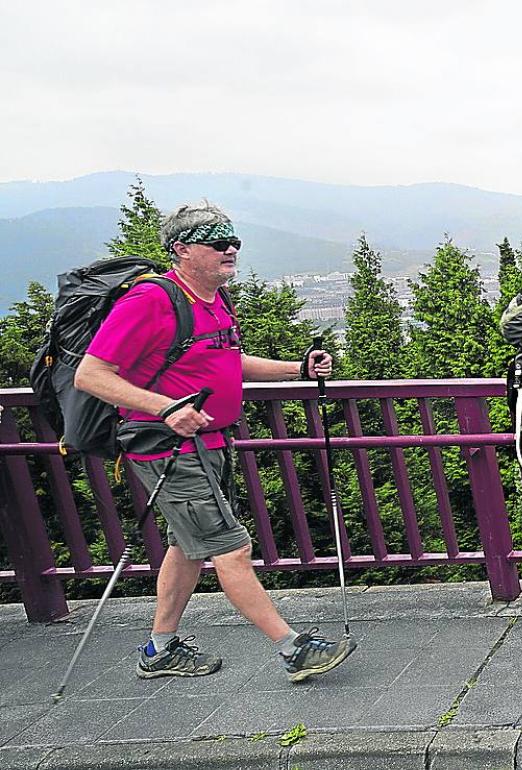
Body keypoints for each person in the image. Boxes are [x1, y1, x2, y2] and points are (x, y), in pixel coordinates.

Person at [75, 201, 356, 683]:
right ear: (182, 250)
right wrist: (165, 408)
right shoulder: (150, 301)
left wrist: (298, 370)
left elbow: (229, 360)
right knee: (231, 548)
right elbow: (91, 374)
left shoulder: (214, 298)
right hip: (167, 448)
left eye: (234, 242)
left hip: (209, 444)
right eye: (217, 242)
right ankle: (293, 649)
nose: (230, 250)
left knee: (188, 547)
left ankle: (159, 649)